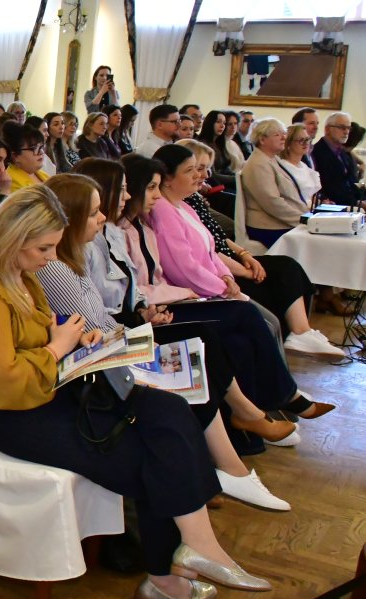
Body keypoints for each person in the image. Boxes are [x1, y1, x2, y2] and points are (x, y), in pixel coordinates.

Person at [0, 185, 271, 599]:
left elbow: (43, 333)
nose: (50, 257)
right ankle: (169, 576)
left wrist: (81, 339)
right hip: (22, 418)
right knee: (153, 454)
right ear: (13, 240)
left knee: (170, 408)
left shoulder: (21, 274)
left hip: (54, 391)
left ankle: (198, 545)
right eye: (44, 248)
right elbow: (0, 382)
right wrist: (58, 348)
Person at [38, 172, 291, 508]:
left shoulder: (75, 255)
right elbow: (93, 329)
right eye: (94, 212)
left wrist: (142, 323)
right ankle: (222, 466)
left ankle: (222, 462)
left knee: (198, 349)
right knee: (189, 358)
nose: (102, 217)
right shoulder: (56, 267)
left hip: (115, 341)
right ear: (68, 219)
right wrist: (141, 334)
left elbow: (104, 317)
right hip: (100, 363)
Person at [72, 158, 303, 446]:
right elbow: (107, 305)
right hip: (129, 323)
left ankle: (254, 419)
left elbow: (206, 251)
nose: (130, 196)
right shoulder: (97, 241)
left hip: (145, 311)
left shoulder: (121, 231)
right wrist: (151, 311)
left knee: (244, 329)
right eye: (126, 190)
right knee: (226, 325)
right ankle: (264, 410)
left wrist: (147, 309)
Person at [118, 154, 335, 428]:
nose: (201, 175)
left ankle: (268, 408)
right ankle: (281, 399)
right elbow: (178, 270)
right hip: (171, 301)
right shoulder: (149, 219)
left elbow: (209, 250)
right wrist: (217, 287)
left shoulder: (174, 211)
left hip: (186, 292)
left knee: (252, 330)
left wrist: (225, 275)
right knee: (251, 316)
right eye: (191, 170)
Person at [178, 138, 337, 347]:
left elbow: (217, 234)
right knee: (275, 277)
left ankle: (301, 331)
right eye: (198, 169)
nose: (205, 176)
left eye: (207, 169)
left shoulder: (194, 198)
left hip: (229, 257)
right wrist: (243, 269)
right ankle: (295, 333)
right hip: (219, 268)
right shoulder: (181, 204)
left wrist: (244, 254)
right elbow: (209, 252)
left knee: (288, 267)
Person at [242, 119, 311, 246]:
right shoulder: (258, 164)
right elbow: (273, 203)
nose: (284, 138)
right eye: (277, 134)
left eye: (284, 134)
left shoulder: (271, 159)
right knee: (317, 241)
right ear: (262, 139)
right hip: (268, 227)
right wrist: (304, 219)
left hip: (280, 222)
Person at [312, 112, 364, 207]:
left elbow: (351, 182)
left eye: (348, 128)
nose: (346, 132)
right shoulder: (317, 152)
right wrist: (357, 203)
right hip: (334, 207)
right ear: (327, 129)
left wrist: (362, 200)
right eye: (342, 127)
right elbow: (330, 188)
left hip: (352, 205)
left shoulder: (343, 153)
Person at [1, 121, 49, 191]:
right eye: (34, 148)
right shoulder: (11, 182)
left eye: (41, 147)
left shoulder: (41, 174)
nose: (41, 152)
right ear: (15, 156)